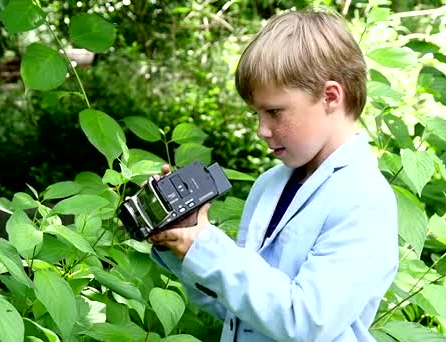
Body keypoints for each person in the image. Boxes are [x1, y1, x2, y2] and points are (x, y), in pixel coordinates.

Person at [148, 8, 399, 342]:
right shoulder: (271, 184)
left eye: (274, 112)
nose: (261, 130)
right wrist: (184, 242)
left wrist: (208, 247)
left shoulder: (365, 198)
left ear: (330, 97)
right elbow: (238, 309)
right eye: (256, 113)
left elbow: (307, 321)